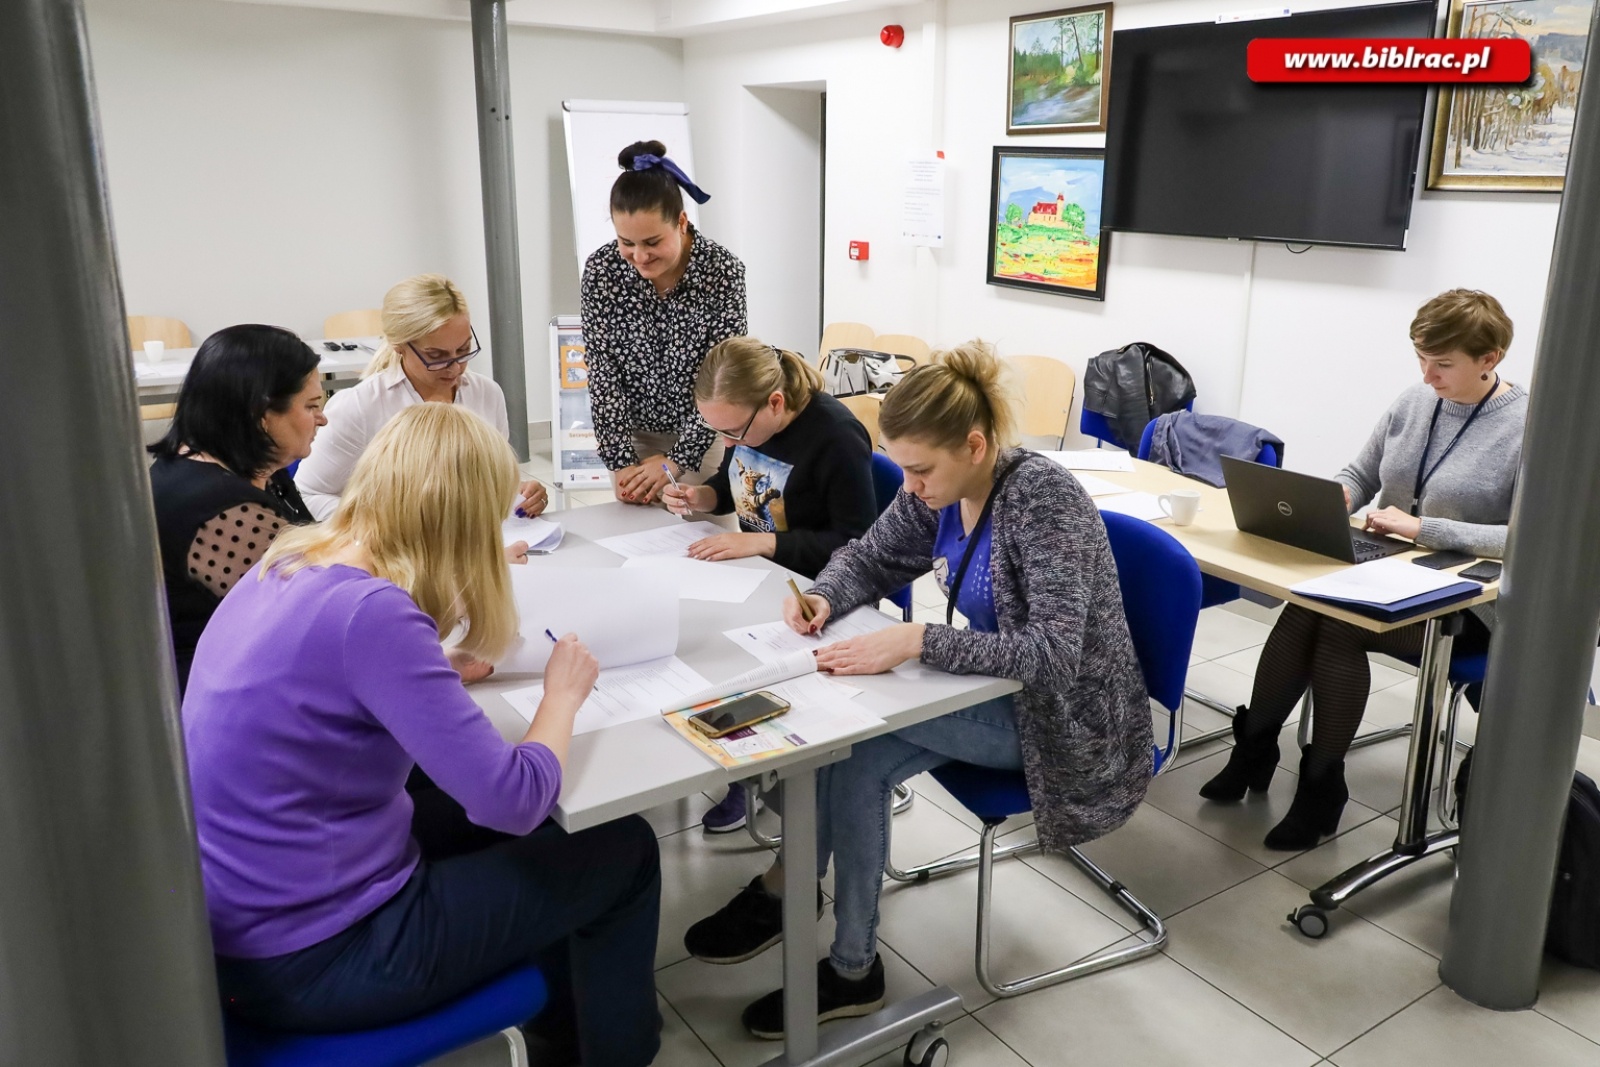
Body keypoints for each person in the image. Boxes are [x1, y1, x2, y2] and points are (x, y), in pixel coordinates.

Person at [682, 342, 1152, 1039]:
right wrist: (822, 595)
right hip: (1004, 684)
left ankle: (837, 948)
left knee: (859, 743)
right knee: (857, 752)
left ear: (975, 443)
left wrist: (916, 640)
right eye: (904, 466)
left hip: (1068, 718)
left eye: (922, 469)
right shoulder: (936, 486)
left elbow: (1052, 658)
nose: (912, 485)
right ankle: (841, 953)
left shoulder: (1042, 501)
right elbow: (870, 554)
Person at [188, 403, 661, 1064]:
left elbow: (321, 693)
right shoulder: (374, 614)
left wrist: (431, 677)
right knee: (625, 847)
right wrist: (561, 696)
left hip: (241, 932)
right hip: (321, 959)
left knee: (552, 834)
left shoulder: (288, 562)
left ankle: (564, 1030)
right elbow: (514, 799)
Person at [1199, 289, 1528, 850]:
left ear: (1490, 359)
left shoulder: (1528, 428)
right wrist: (1336, 500)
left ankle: (1316, 784)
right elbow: (1361, 470)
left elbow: (1527, 539)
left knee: (1337, 622)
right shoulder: (1413, 402)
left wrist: (1423, 529)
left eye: (1443, 364)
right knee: (1309, 606)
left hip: (1466, 605)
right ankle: (1259, 750)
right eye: (1421, 359)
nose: (1428, 376)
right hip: (1388, 573)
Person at [664, 335, 878, 834]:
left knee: (744, 660)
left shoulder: (836, 436)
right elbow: (735, 482)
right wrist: (702, 496)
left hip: (820, 591)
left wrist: (765, 546)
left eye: (734, 430)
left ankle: (765, 774)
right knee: (703, 642)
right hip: (762, 577)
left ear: (775, 403)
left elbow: (859, 544)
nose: (731, 442)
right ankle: (742, 761)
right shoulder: (749, 425)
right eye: (719, 431)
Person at [294, 273, 546, 541]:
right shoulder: (359, 406)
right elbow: (309, 494)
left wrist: (520, 494)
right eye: (435, 356)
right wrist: (381, 530)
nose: (455, 366)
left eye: (464, 349)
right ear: (399, 346)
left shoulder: (487, 394)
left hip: (473, 550)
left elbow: (492, 484)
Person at [148, 324, 323, 690]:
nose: (322, 419)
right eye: (310, 406)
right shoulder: (221, 512)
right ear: (262, 414)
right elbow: (314, 614)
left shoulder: (252, 467)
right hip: (221, 697)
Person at [580, 139, 747, 506]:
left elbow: (725, 379)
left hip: (705, 435)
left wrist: (679, 459)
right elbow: (602, 370)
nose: (639, 256)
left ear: (682, 222)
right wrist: (621, 460)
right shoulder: (603, 271)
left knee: (704, 545)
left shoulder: (722, 272)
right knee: (638, 543)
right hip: (633, 437)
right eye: (626, 242)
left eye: (652, 241)